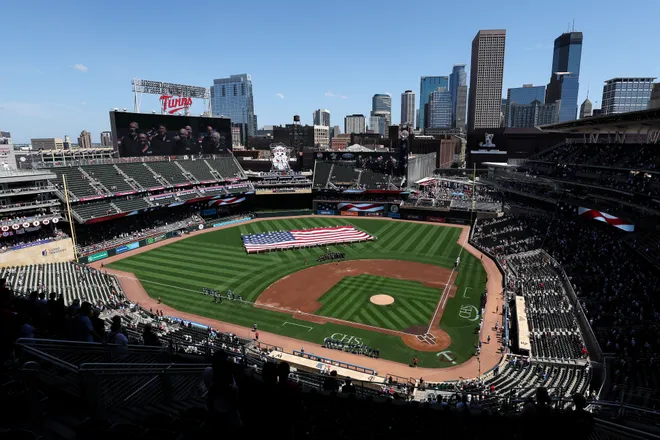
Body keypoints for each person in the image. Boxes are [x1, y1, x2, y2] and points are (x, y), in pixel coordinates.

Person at [202, 351, 242, 433]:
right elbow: (235, 397)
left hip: (213, 408)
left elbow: (208, 387)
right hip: (227, 412)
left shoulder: (208, 371)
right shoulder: (228, 376)